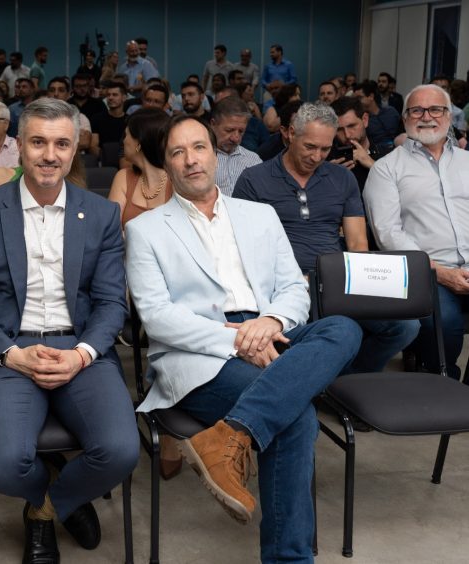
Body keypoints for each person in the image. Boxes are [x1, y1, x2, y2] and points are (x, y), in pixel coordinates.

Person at [126, 114, 362, 562]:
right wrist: (236, 340)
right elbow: (157, 319)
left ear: (215, 155)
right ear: (167, 164)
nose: (191, 160)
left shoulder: (259, 215)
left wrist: (269, 322)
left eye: (199, 148)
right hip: (199, 352)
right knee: (297, 418)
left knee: (344, 328)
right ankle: (290, 558)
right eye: (178, 152)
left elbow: (293, 288)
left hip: (267, 330)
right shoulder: (145, 230)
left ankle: (229, 435)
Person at [0, 98, 139, 564]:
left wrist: (81, 354)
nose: (49, 155)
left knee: (119, 451)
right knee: (1, 466)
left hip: (79, 348)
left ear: (75, 150)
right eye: (38, 142)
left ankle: (45, 509)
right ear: (19, 146)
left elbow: (112, 302)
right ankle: (50, 491)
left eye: (61, 144)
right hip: (9, 351)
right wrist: (12, 354)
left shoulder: (100, 214)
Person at [233, 102, 419, 374]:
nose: (317, 156)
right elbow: (242, 248)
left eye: (325, 148)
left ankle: (346, 379)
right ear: (290, 134)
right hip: (282, 285)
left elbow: (357, 245)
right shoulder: (254, 179)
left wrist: (357, 280)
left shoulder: (342, 178)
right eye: (310, 146)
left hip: (336, 281)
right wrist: (292, 280)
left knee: (405, 326)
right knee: (343, 329)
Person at [364, 84, 469, 381]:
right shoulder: (387, 168)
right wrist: (439, 272)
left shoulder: (467, 162)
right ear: (405, 118)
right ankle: (442, 384)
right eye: (417, 110)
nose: (426, 117)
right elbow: (388, 233)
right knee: (444, 322)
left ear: (448, 116)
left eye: (435, 109)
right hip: (427, 272)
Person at [107, 108, 172, 225]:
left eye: (126, 135)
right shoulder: (123, 177)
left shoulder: (175, 181)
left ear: (138, 143)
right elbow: (111, 228)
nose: (123, 141)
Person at [210, 97, 262, 196]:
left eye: (241, 131)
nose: (235, 138)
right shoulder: (199, 159)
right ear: (213, 124)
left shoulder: (254, 160)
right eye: (229, 130)